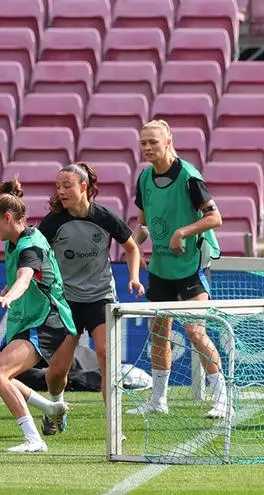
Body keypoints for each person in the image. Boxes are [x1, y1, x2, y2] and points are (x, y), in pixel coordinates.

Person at [37, 162, 145, 435]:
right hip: (67, 301)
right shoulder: (52, 223)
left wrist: (134, 277)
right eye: (58, 186)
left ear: (83, 187)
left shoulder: (104, 217)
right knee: (57, 371)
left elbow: (131, 247)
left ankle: (114, 427)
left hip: (101, 297)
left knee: (106, 355)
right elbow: (31, 255)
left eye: (67, 186)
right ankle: (55, 408)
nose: (61, 191)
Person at [128, 119, 227, 419]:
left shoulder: (188, 177)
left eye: (153, 142)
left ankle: (222, 397)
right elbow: (143, 225)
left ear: (168, 142)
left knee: (195, 331)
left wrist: (182, 232)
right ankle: (159, 400)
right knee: (158, 332)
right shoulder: (144, 178)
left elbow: (215, 218)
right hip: (161, 267)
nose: (147, 148)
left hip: (191, 265)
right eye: (143, 142)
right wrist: (133, 247)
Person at [0, 177, 75, 453]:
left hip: (47, 319)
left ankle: (34, 439)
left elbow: (25, 276)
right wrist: (9, 288)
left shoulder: (29, 245)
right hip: (30, 317)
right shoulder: (16, 240)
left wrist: (10, 295)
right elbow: (20, 275)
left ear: (8, 217)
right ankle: (51, 407)